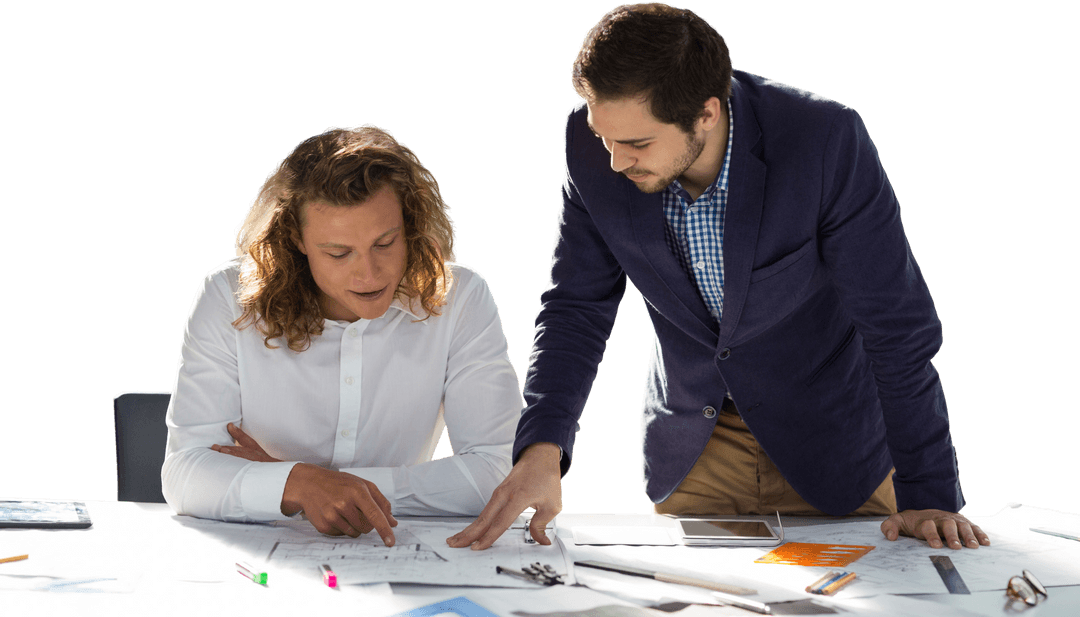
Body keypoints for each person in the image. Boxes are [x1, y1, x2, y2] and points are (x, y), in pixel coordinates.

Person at [449, 2, 990, 551]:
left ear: (707, 113)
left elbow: (895, 327)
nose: (614, 161)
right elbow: (576, 306)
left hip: (835, 444)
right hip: (695, 446)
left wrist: (928, 492)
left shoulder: (823, 139)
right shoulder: (593, 147)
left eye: (637, 144)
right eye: (603, 135)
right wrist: (542, 448)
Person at [162, 125, 521, 547]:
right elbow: (186, 475)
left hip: (395, 553)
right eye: (339, 253)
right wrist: (297, 484)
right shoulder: (228, 297)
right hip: (261, 563)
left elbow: (499, 472)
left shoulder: (460, 297)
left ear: (410, 226)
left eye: (385, 243)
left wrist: (298, 483)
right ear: (296, 239)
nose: (368, 274)